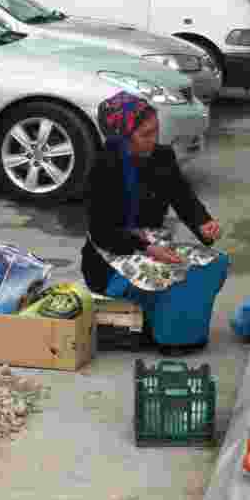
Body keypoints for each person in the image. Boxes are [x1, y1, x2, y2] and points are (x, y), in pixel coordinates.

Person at [81, 92, 228, 355]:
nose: (153, 140)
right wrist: (147, 248)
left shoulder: (162, 157)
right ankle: (169, 337)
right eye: (145, 134)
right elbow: (102, 232)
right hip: (112, 257)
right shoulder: (102, 168)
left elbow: (183, 198)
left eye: (155, 131)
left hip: (154, 244)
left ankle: (183, 331)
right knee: (172, 276)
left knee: (213, 264)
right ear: (123, 137)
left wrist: (203, 224)